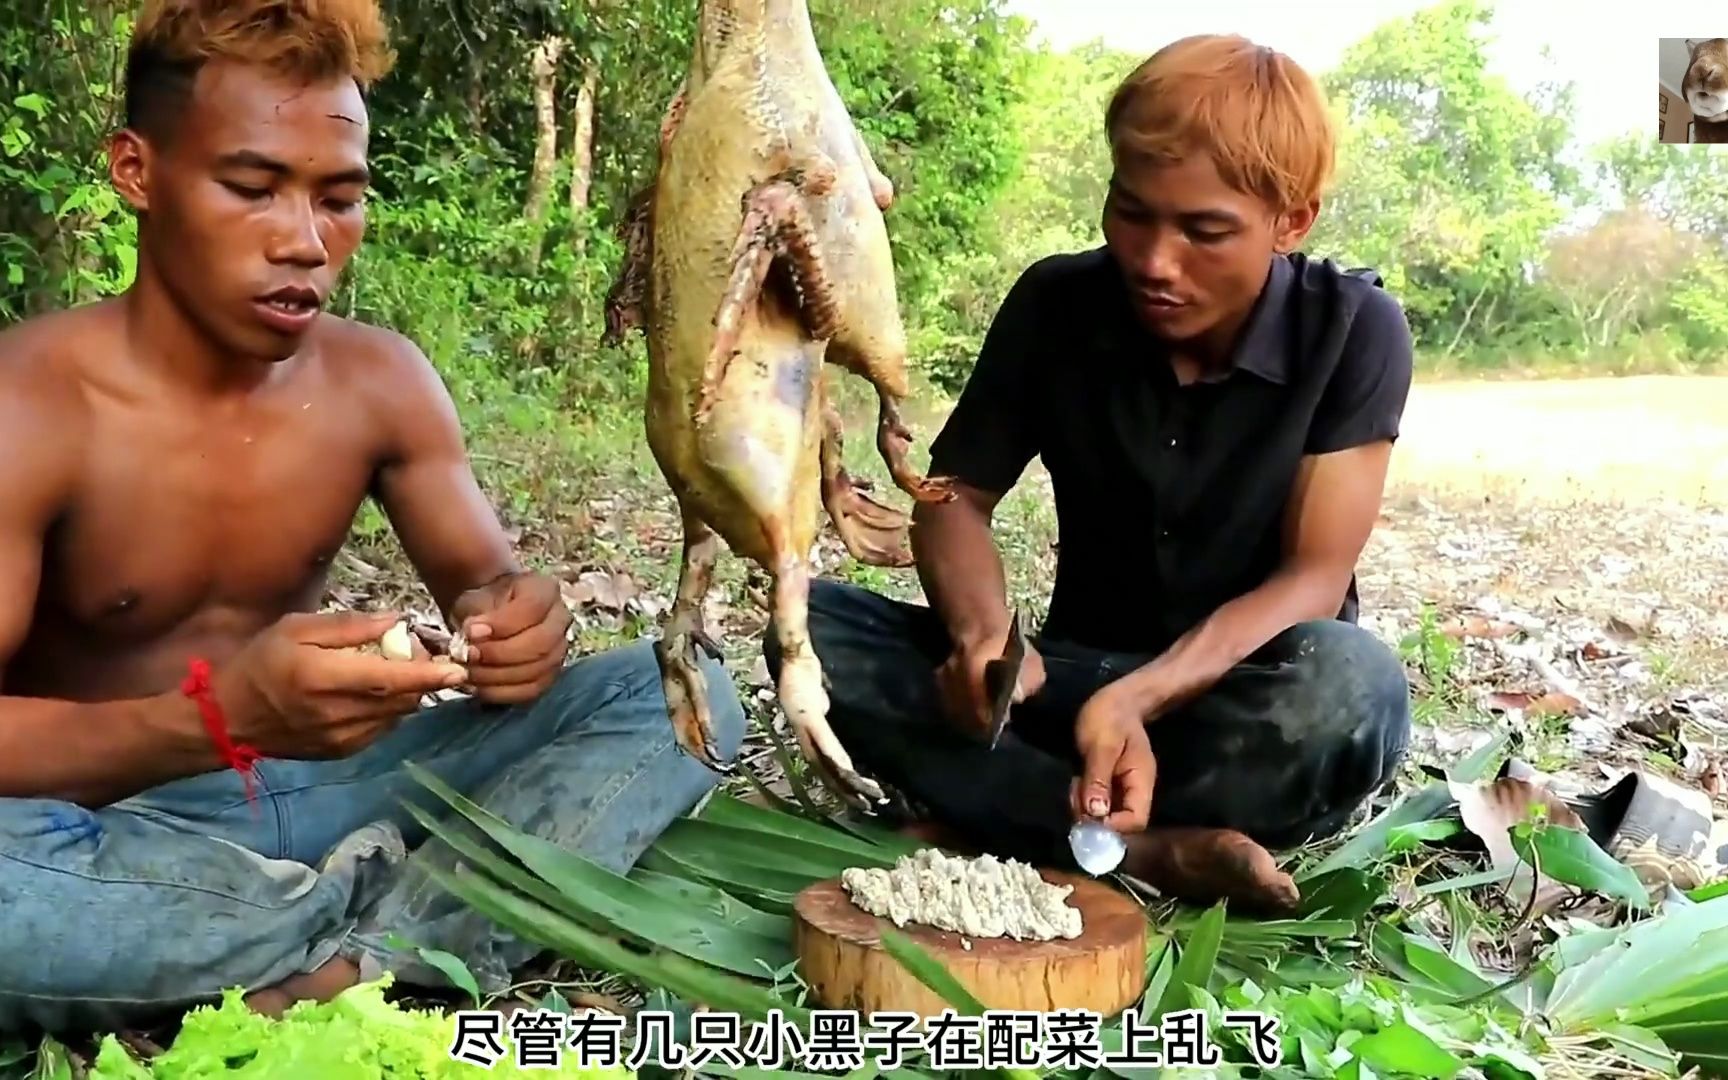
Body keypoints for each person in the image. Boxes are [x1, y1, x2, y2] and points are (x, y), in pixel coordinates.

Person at [0, 0, 745, 1033]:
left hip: (343, 788)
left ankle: (339, 957)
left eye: (339, 199)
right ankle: (401, 930)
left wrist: (519, 625)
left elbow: (489, 586)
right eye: (252, 188)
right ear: (137, 171)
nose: (305, 241)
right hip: (101, 825)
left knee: (686, 694)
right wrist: (214, 722)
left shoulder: (380, 381)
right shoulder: (28, 403)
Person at [765, 34, 1414, 913]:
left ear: (1291, 221)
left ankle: (1001, 815)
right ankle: (1145, 850)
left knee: (1352, 691)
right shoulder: (1057, 304)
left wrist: (1138, 703)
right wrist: (982, 634)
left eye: (1205, 231)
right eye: (1132, 212)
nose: (1154, 260)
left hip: (1237, 695)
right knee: (812, 624)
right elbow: (954, 496)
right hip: (1062, 684)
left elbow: (1314, 575)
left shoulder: (1354, 329)